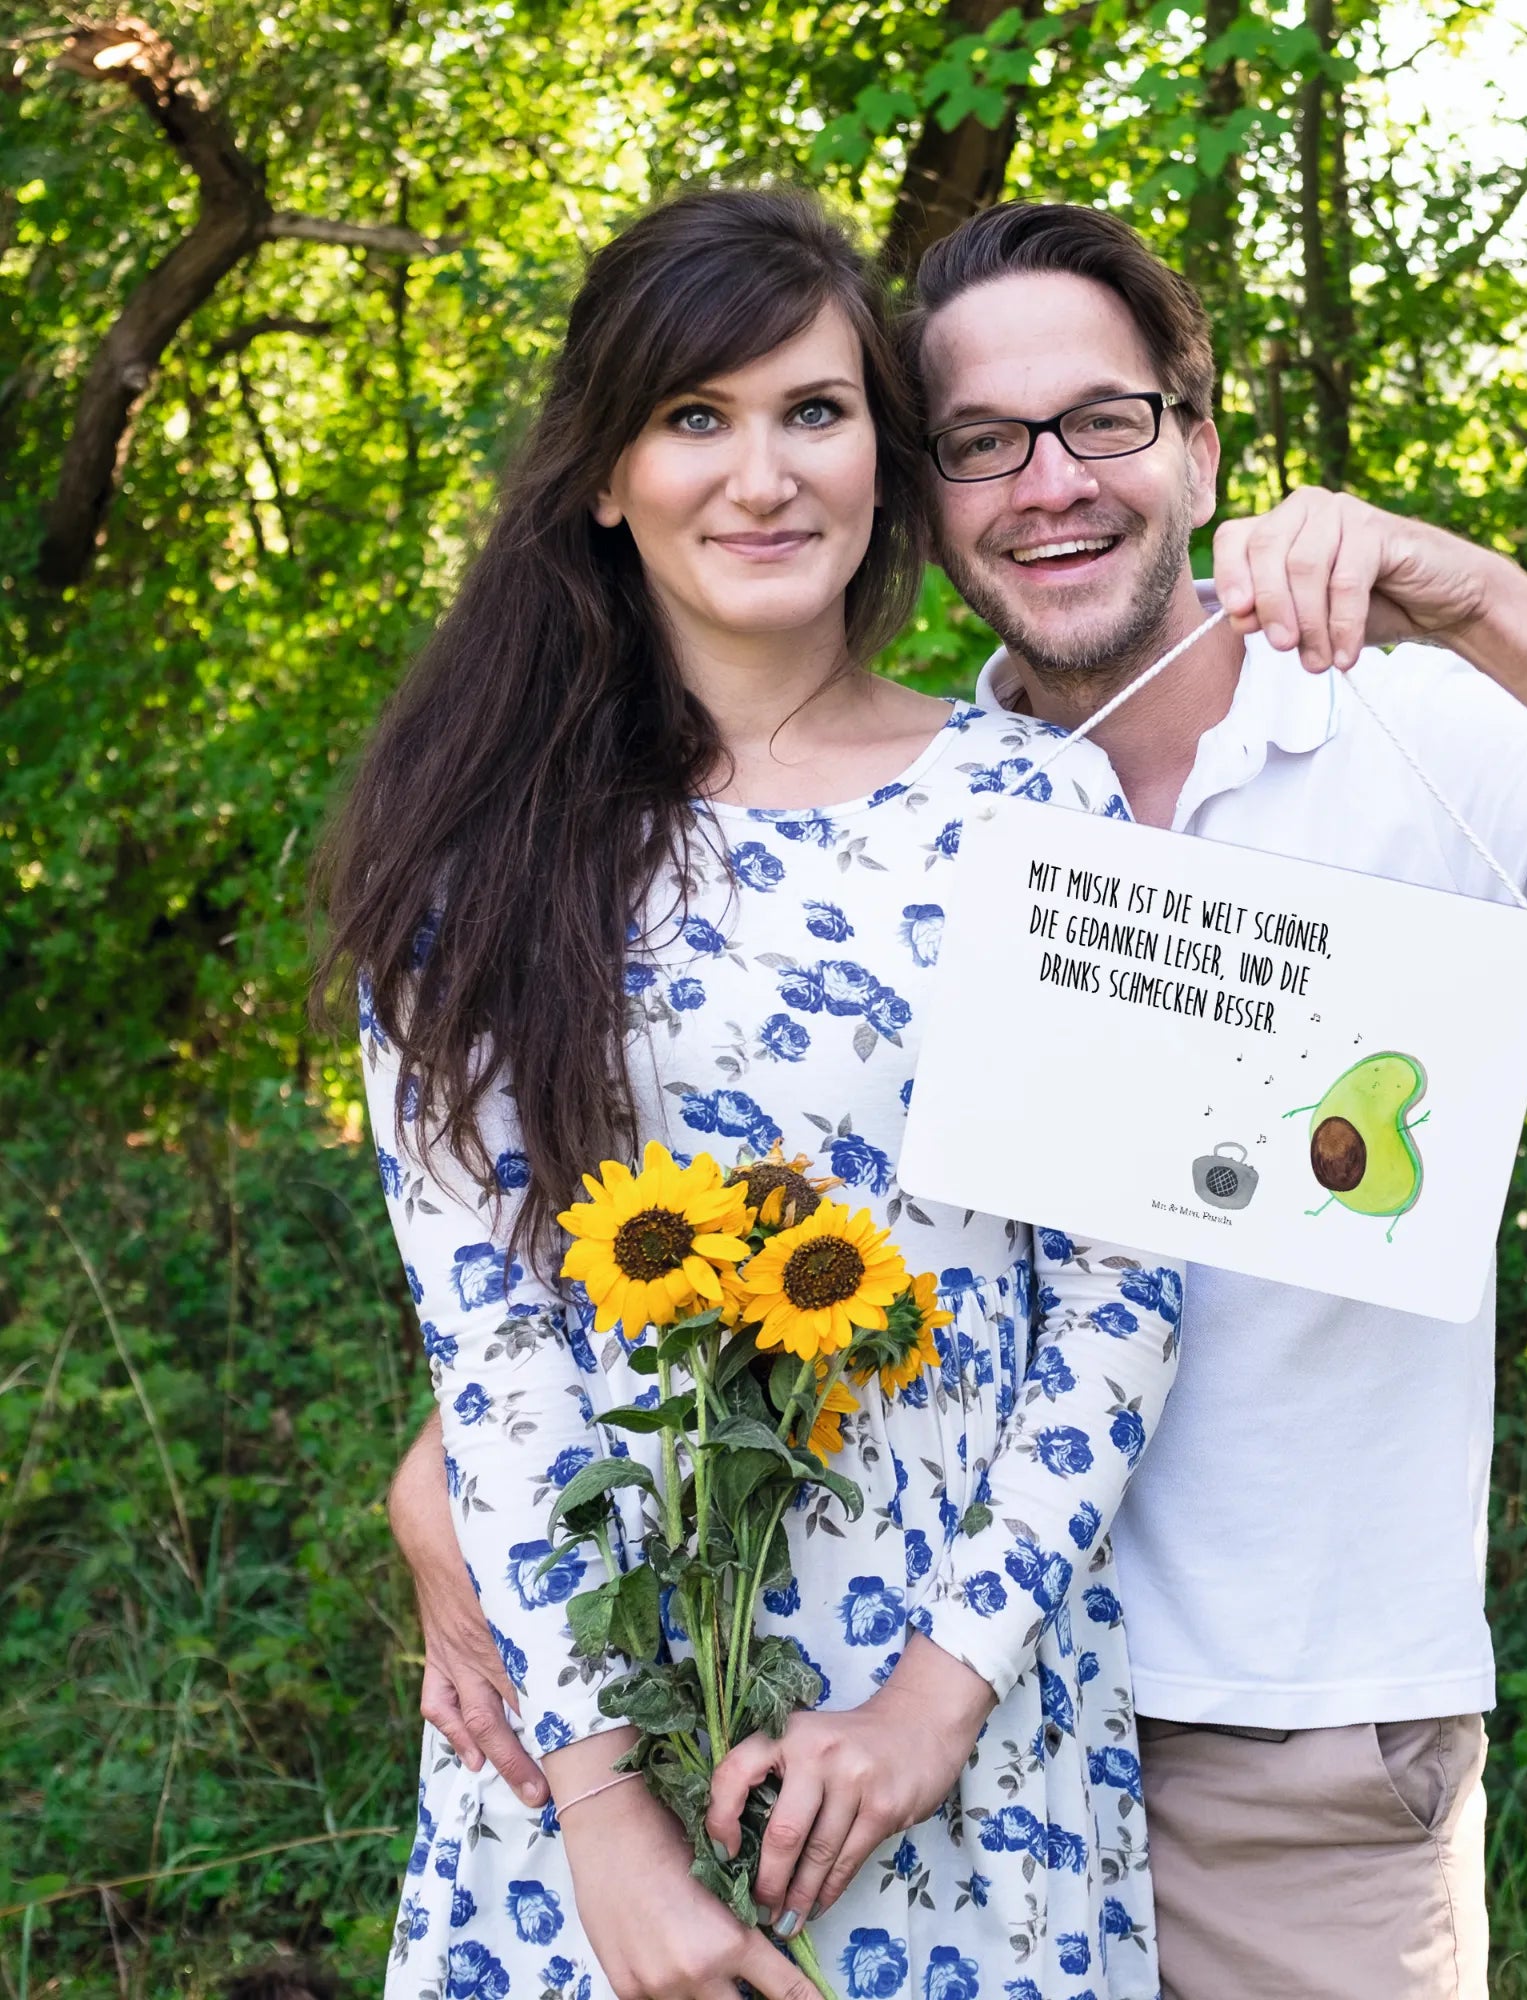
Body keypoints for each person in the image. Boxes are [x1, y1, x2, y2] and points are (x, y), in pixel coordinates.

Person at [391, 197, 1527, 1999]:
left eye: (1101, 421)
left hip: (1271, 1734)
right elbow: (667, 1223)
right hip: (824, 1701)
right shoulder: (926, 805)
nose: (1050, 482)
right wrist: (456, 1478)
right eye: (982, 442)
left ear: (1199, 445)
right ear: (926, 486)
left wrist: (1481, 597)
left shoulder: (1389, 729)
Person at [318, 187, 1186, 2000]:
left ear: (884, 452)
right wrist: (606, 1824)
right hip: (591, 1721)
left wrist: (934, 1705)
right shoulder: (480, 855)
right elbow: (494, 1346)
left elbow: (1121, 1291)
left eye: (815, 411)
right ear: (604, 475)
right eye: (694, 417)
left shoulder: (1037, 807)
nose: (764, 476)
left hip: (960, 1724)